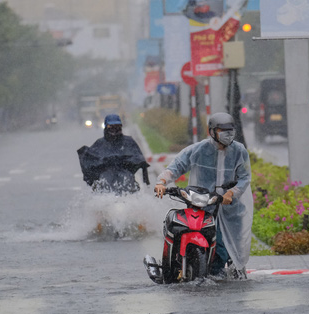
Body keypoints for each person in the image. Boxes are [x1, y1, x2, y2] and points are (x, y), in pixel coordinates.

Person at [154, 112, 253, 278]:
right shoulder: (198, 150)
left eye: (230, 130)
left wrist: (231, 193)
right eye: (222, 130)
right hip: (202, 205)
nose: (228, 134)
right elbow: (177, 166)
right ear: (212, 131)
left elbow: (244, 178)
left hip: (230, 209)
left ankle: (218, 275)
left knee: (224, 247)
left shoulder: (239, 151)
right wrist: (162, 182)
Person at [77, 114, 150, 194]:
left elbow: (139, 159)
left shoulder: (128, 142)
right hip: (105, 178)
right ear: (106, 127)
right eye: (111, 126)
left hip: (126, 178)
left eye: (117, 126)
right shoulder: (100, 143)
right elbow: (90, 161)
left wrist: (125, 162)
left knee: (134, 192)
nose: (114, 129)